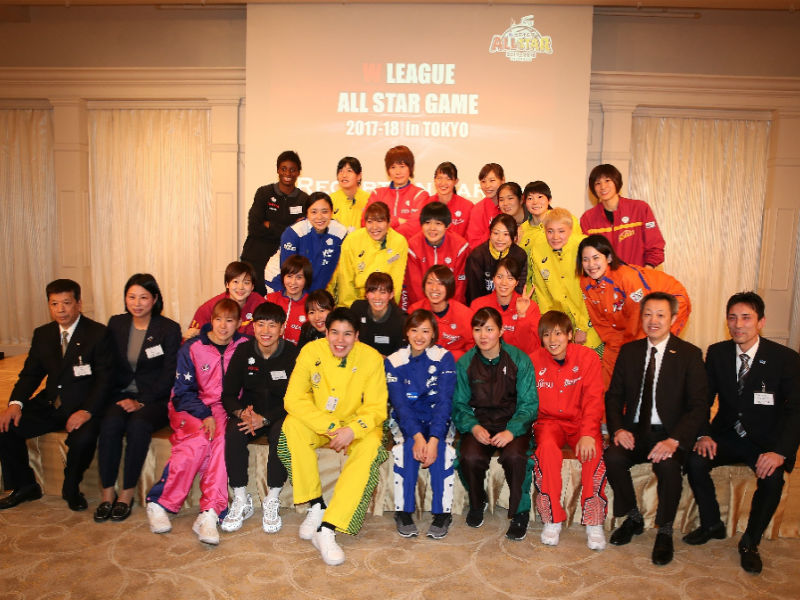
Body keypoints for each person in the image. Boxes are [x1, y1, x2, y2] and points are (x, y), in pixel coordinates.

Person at [683, 292, 800, 574]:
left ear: (761, 322)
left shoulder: (784, 358)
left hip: (765, 440)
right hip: (726, 434)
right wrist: (703, 434)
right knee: (695, 461)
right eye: (732, 318)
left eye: (746, 318)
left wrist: (780, 452)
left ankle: (750, 542)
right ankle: (712, 523)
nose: (738, 325)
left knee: (773, 480)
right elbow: (703, 399)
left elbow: (796, 410)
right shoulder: (718, 353)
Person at [278, 308, 389, 566]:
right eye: (334, 333)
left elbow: (376, 408)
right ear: (326, 333)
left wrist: (352, 430)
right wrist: (329, 426)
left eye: (347, 334)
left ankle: (328, 528)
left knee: (372, 445)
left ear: (357, 336)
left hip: (356, 425)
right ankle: (317, 505)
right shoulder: (310, 351)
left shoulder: (371, 358)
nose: (340, 340)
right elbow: (293, 398)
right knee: (291, 425)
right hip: (322, 422)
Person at [604, 292, 707, 566]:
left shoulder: (689, 354)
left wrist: (675, 440)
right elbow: (613, 397)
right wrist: (618, 430)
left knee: (669, 466)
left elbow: (698, 406)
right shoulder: (630, 352)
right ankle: (633, 517)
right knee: (613, 457)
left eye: (661, 315)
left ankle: (665, 530)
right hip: (635, 431)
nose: (653, 320)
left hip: (669, 434)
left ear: (673, 318)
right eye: (648, 314)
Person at [0, 279, 112, 512]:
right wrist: (15, 403)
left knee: (82, 440)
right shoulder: (43, 334)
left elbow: (105, 380)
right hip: (51, 403)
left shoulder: (98, 333)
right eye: (54, 304)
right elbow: (30, 374)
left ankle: (71, 489)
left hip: (83, 406)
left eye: (66, 303)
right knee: (6, 426)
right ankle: (24, 486)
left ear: (79, 303)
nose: (61, 309)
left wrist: (87, 411)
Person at [145, 299, 248, 545]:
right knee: (199, 441)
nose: (223, 326)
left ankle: (210, 512)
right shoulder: (192, 347)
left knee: (222, 443)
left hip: (224, 408)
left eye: (230, 321)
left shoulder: (244, 345)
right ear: (211, 320)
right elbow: (182, 391)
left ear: (239, 323)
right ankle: (159, 502)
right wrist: (205, 414)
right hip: (190, 406)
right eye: (218, 319)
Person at [95, 274, 181, 523]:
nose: (137, 303)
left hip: (155, 398)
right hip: (121, 394)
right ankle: (107, 492)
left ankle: (127, 492)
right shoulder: (117, 324)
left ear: (154, 299)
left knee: (138, 425)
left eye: (143, 297)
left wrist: (142, 400)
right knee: (110, 424)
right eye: (131, 297)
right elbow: (108, 365)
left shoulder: (168, 329)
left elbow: (169, 374)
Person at [452, 307, 538, 541]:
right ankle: (477, 502)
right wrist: (473, 426)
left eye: (489, 329)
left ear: (501, 331)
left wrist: (512, 430)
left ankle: (520, 512)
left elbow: (529, 404)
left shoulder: (519, 359)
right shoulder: (466, 363)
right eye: (478, 329)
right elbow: (459, 404)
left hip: (513, 423)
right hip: (480, 423)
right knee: (469, 456)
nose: (483, 335)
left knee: (515, 457)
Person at [529, 311, 607, 550]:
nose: (552, 340)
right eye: (546, 335)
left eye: (558, 333)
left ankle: (594, 521)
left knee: (593, 452)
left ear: (570, 335)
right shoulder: (533, 360)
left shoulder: (588, 357)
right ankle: (552, 518)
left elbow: (594, 398)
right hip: (548, 423)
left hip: (580, 422)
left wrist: (588, 432)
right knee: (546, 450)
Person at [219, 301, 298, 534]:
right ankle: (240, 497)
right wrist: (241, 413)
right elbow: (228, 395)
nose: (266, 331)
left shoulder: (292, 353)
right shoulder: (243, 352)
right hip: (249, 413)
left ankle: (272, 497)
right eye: (260, 324)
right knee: (234, 431)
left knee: (282, 433)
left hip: (280, 413)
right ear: (253, 327)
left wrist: (265, 419)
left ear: (282, 328)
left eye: (272, 325)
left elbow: (295, 398)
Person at [578, 234, 691, 388]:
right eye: (585, 259)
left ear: (609, 258)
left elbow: (638, 318)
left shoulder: (626, 277)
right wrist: (614, 346)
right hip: (633, 319)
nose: (591, 264)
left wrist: (630, 349)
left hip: (670, 300)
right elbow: (600, 322)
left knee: (648, 352)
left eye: (596, 258)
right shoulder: (585, 283)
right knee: (611, 359)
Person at [385, 310, 457, 539]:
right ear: (407, 332)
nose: (419, 336)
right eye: (414, 330)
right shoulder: (394, 361)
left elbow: (445, 401)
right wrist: (417, 437)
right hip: (407, 422)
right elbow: (400, 405)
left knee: (442, 452)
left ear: (433, 333)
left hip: (438, 420)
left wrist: (433, 440)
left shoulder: (444, 357)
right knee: (405, 451)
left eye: (425, 331)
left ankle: (442, 514)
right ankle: (403, 512)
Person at [528, 208, 602, 352]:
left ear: (570, 230)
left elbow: (595, 290)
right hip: (561, 327)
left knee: (589, 361)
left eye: (561, 231)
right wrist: (551, 326)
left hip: (591, 324)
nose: (555, 237)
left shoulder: (584, 247)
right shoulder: (538, 250)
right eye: (550, 231)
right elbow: (542, 292)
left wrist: (583, 327)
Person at [241, 150, 309, 294]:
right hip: (256, 257)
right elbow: (254, 227)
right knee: (253, 300)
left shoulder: (304, 199)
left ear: (298, 172)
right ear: (278, 170)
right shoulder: (263, 193)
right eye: (283, 169)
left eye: (292, 169)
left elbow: (301, 234)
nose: (288, 173)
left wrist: (270, 225)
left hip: (283, 261)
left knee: (278, 301)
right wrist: (289, 229)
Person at [580, 163, 665, 269]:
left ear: (616, 181)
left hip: (638, 275)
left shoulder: (640, 209)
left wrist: (646, 271)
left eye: (607, 180)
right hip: (605, 278)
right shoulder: (588, 218)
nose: (603, 186)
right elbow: (586, 254)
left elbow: (655, 245)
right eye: (597, 183)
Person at [264, 191, 347, 294]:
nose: (319, 217)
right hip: (281, 280)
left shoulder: (340, 232)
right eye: (314, 212)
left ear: (331, 212)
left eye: (325, 211)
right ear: (307, 213)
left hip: (315, 285)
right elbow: (288, 272)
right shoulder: (294, 233)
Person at [334, 201, 408, 307]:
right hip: (358, 301)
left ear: (389, 222)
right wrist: (350, 308)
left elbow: (397, 280)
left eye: (380, 221)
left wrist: (389, 309)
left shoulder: (399, 242)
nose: (374, 227)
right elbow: (345, 280)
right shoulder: (352, 240)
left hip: (385, 303)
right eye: (370, 221)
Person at [469, 256, 541, 354]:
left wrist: (522, 316)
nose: (504, 283)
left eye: (510, 278)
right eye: (499, 277)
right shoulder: (478, 305)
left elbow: (530, 349)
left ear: (517, 282)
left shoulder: (530, 307)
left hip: (518, 360)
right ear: (493, 279)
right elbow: (472, 343)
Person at [405, 201, 470, 307]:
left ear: (447, 225)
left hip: (450, 308)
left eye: (438, 223)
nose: (432, 228)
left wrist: (447, 311)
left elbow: (459, 288)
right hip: (422, 308)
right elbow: (415, 287)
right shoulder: (413, 246)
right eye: (427, 223)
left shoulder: (460, 247)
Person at [362, 145, 429, 239]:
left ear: (410, 168)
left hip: (408, 247)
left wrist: (384, 230)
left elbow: (416, 227)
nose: (398, 172)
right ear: (388, 170)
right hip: (378, 247)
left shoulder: (420, 195)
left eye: (402, 166)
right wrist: (398, 221)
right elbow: (365, 222)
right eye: (393, 167)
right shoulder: (377, 194)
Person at [408, 265, 473, 361]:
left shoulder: (465, 314)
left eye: (441, 283)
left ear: (449, 287)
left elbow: (472, 349)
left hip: (455, 364)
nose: (434, 288)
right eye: (430, 282)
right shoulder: (415, 310)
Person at [187, 261, 265, 339]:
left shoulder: (261, 304)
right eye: (235, 282)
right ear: (227, 284)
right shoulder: (211, 307)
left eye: (246, 283)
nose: (241, 287)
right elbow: (190, 338)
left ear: (252, 286)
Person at [465, 214, 528, 305]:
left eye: (506, 234)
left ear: (514, 238)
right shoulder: (477, 256)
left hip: (511, 306)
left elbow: (519, 288)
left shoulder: (519, 255)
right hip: (483, 307)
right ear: (490, 234)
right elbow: (473, 293)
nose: (500, 239)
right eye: (496, 233)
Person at [349, 272, 406, 356]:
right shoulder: (357, 308)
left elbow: (401, 357)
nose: (377, 297)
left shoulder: (401, 320)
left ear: (391, 294)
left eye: (383, 292)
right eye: (373, 291)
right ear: (366, 294)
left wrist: (374, 358)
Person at [265, 255, 311, 345]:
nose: (293, 282)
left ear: (306, 280)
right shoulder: (269, 300)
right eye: (289, 276)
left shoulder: (311, 305)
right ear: (283, 277)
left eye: (299, 277)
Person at [426, 161, 473, 239]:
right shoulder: (426, 203)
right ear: (434, 180)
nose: (443, 183)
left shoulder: (467, 207)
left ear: (456, 181)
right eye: (439, 178)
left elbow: (471, 237)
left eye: (448, 179)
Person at [466, 163, 505, 248]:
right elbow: (473, 244)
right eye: (483, 181)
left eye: (492, 180)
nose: (487, 186)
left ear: (503, 180)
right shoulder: (478, 209)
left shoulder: (512, 205)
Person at [330, 156, 369, 233]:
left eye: (349, 171)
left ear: (359, 176)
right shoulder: (330, 200)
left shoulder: (369, 199)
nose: (344, 175)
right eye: (341, 171)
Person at [518, 180, 552, 256]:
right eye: (530, 198)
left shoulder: (563, 221)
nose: (535, 202)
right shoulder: (521, 230)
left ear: (549, 200)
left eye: (540, 197)